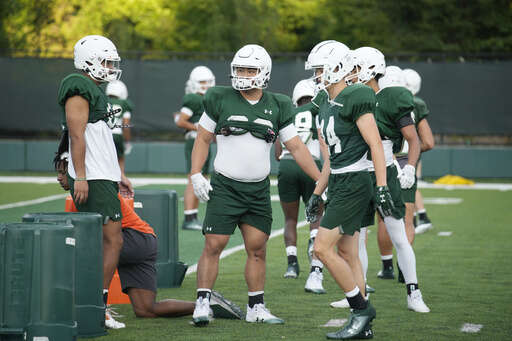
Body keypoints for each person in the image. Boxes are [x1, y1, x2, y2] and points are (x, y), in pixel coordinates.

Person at [189, 44, 321, 326]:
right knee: (214, 244)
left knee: (258, 248)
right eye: (240, 69)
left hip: (258, 189)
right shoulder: (219, 97)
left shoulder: (279, 104)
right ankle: (202, 302)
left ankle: (256, 307)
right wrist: (196, 174)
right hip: (225, 185)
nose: (244, 74)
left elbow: (296, 147)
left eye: (250, 69)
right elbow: (202, 138)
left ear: (264, 73)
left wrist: (321, 180)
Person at [53, 142, 244, 328]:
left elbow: (101, 239)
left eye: (63, 172)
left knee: (81, 253)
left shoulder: (92, 188)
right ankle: (206, 306)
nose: (59, 178)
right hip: (143, 242)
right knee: (146, 309)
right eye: (58, 173)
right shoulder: (87, 188)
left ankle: (97, 307)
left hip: (133, 239)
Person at [330, 49, 430, 314]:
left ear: (369, 68)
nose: (349, 74)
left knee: (399, 236)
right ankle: (358, 293)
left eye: (354, 68)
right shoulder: (348, 97)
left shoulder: (392, 97)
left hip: (385, 169)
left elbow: (413, 139)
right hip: (357, 175)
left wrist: (409, 167)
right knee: (356, 239)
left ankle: (413, 292)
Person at [305, 41, 388, 339]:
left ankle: (361, 310)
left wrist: (381, 186)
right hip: (339, 180)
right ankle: (364, 326)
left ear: (338, 66)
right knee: (347, 252)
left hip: (355, 183)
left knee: (322, 249)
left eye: (320, 69)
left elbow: (375, 144)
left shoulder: (357, 95)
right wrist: (317, 192)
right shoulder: (325, 102)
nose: (316, 75)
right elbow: (331, 160)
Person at [57, 35, 134, 321]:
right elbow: (76, 134)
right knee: (112, 241)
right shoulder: (78, 87)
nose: (110, 67)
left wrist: (119, 174)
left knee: (106, 241)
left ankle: (93, 304)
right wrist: (81, 176)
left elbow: (99, 137)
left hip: (104, 174)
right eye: (105, 61)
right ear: (88, 60)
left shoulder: (95, 88)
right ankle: (96, 307)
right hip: (94, 175)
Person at [273, 79, 328, 295]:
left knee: (290, 219)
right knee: (316, 216)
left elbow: (278, 153)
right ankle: (314, 254)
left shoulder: (288, 113)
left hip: (287, 165)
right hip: (311, 164)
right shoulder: (318, 112)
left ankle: (292, 264)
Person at [175, 66, 216, 230]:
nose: (205, 85)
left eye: (208, 81)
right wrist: (198, 128)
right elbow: (181, 121)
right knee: (194, 178)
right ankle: (189, 217)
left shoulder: (207, 99)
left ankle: (193, 216)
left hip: (204, 141)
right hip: (195, 141)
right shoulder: (193, 99)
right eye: (201, 82)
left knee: (202, 179)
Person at [402, 68, 435, 234]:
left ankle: (419, 217)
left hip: (398, 154)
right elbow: (428, 143)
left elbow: (428, 142)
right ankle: (418, 217)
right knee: (411, 184)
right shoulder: (418, 103)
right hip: (410, 152)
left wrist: (404, 150)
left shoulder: (395, 101)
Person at [105, 80, 134, 174]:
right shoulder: (124, 104)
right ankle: (121, 180)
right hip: (117, 135)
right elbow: (126, 126)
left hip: (103, 135)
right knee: (120, 159)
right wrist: (127, 142)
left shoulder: (103, 101)